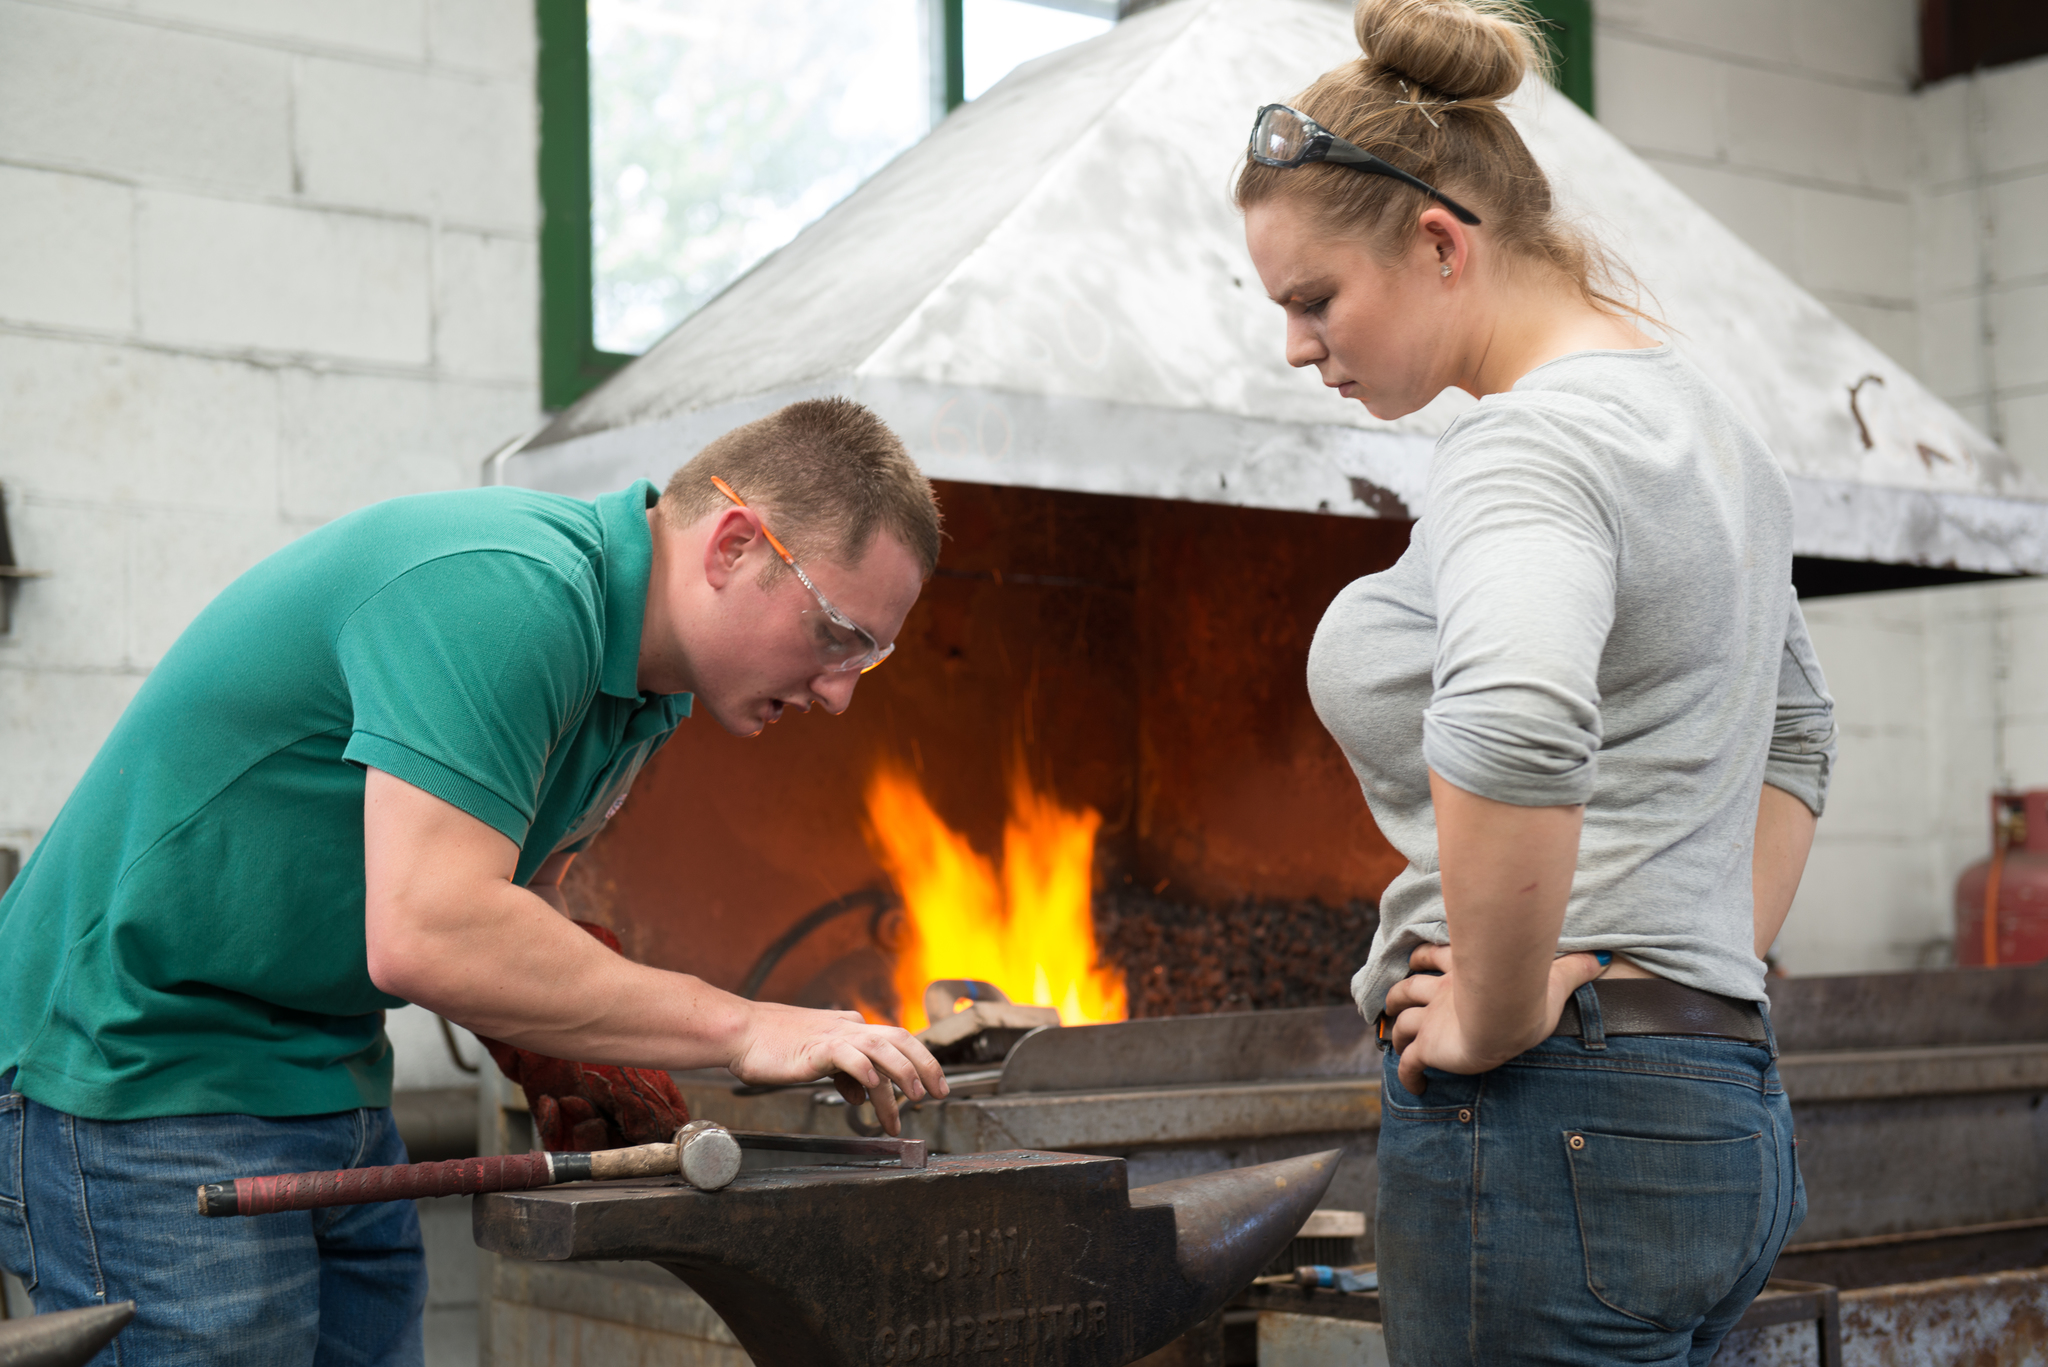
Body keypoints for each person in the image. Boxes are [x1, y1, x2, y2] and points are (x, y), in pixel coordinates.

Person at [0, 397, 951, 1365]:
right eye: (835, 632)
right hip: (138, 1069)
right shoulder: (508, 591)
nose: (838, 691)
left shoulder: (644, 692)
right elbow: (429, 927)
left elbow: (511, 895)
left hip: (323, 1068)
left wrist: (565, 1048)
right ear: (734, 544)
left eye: (867, 655)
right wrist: (749, 1026)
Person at [1237, 2, 1838, 1362]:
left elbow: (1513, 724)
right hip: (1714, 1109)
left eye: (1313, 298)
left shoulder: (1529, 449)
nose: (1296, 344)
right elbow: (1800, 728)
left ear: (1441, 242)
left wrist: (1503, 1007)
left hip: (1545, 1116)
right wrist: (1693, 963)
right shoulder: (1707, 421)